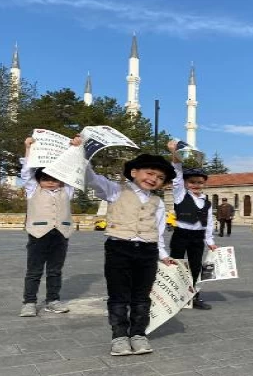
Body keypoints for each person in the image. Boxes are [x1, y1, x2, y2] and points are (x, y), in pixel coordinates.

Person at [86, 154, 175, 356]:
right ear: (134, 172)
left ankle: (138, 334)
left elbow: (159, 231)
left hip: (148, 251)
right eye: (149, 173)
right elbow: (90, 178)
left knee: (142, 296)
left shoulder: (157, 202)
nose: (153, 179)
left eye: (160, 177)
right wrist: (82, 155)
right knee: (118, 295)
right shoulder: (116, 190)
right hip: (119, 248)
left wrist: (163, 255)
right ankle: (119, 337)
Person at [19, 135, 81, 317]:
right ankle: (29, 302)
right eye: (45, 178)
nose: (51, 181)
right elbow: (26, 172)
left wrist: (75, 148)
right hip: (38, 234)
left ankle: (52, 300)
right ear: (38, 179)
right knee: (34, 271)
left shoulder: (67, 191)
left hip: (61, 234)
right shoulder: (33, 189)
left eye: (55, 177)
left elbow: (72, 169)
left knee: (55, 270)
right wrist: (28, 148)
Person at [168, 140, 215, 310]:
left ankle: (194, 296)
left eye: (200, 182)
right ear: (186, 183)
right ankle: (173, 296)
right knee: (177, 266)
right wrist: (175, 153)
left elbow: (208, 223)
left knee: (195, 267)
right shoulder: (180, 195)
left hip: (197, 237)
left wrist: (210, 241)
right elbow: (177, 174)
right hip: (181, 235)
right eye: (192, 182)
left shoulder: (206, 202)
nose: (196, 185)